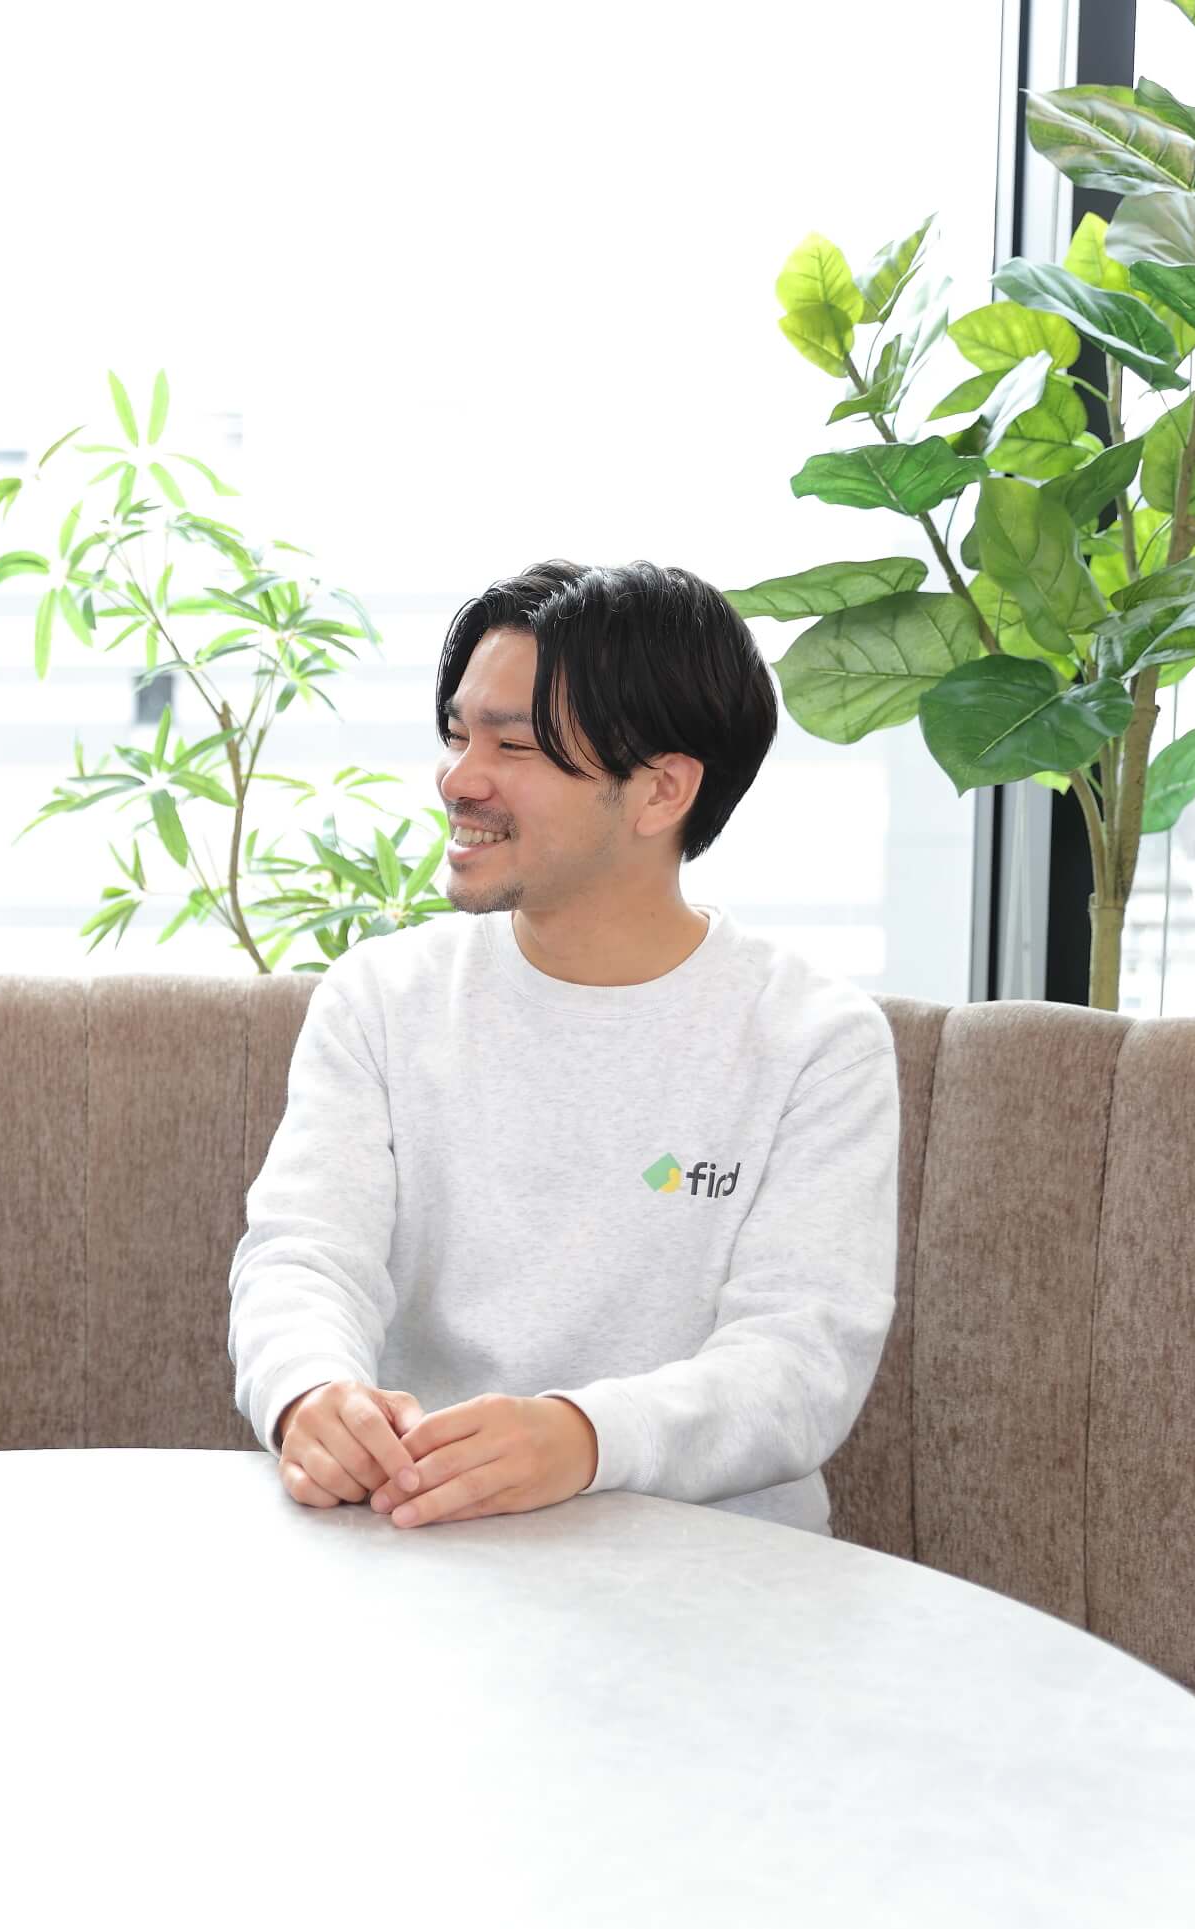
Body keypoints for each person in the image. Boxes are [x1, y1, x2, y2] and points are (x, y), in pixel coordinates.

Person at [227, 559, 897, 1536]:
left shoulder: (814, 1041)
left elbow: (801, 1363)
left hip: (716, 1578)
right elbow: (303, 1257)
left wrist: (582, 1438)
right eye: (457, 733)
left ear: (660, 790)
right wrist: (310, 1390)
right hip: (428, 1547)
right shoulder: (380, 999)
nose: (459, 778)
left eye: (513, 745)